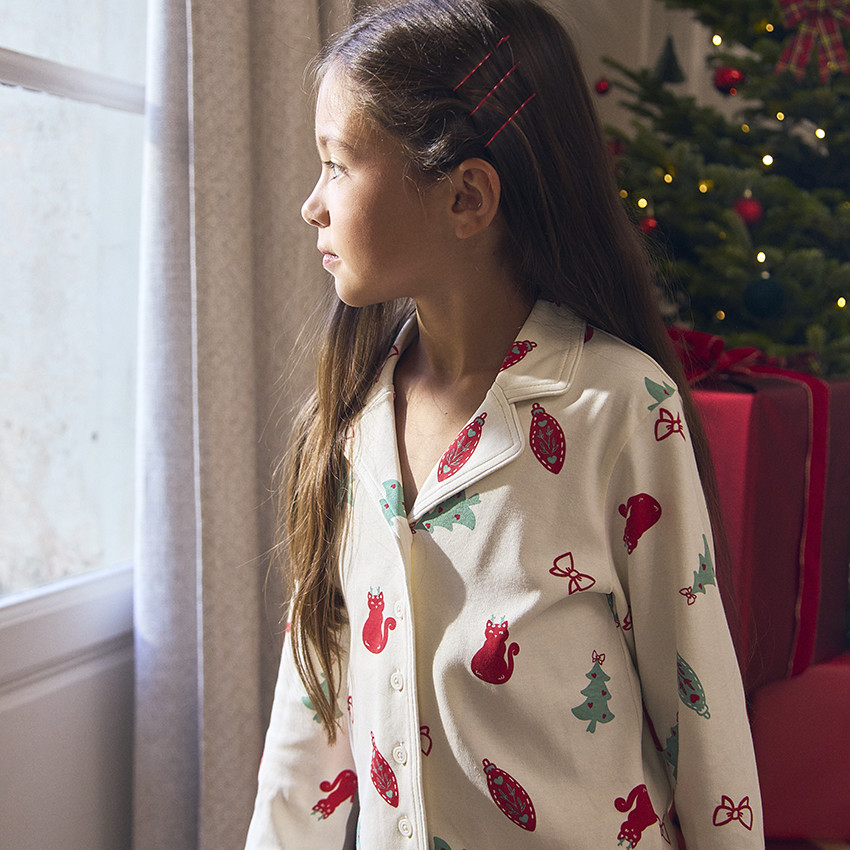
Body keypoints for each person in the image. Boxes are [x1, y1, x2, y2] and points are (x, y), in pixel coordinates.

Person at [246, 0, 763, 847]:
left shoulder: (621, 412)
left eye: (337, 165)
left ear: (467, 196)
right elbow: (311, 712)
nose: (312, 204)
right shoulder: (352, 425)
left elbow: (702, 721)